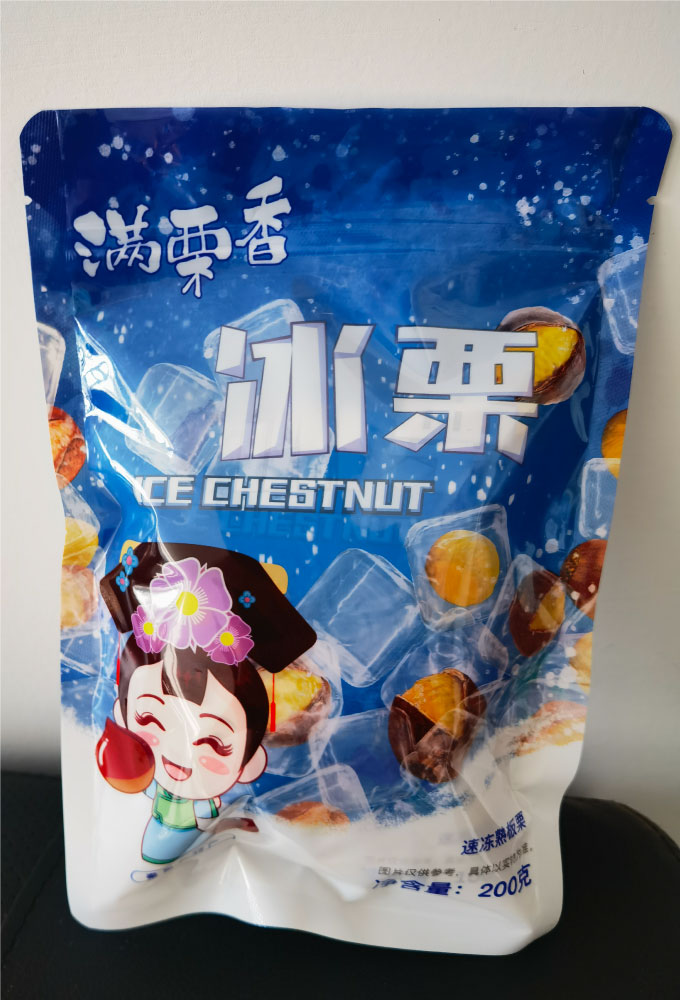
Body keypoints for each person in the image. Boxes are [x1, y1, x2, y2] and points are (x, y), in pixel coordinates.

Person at [97, 541, 316, 864]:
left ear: (250, 763)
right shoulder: (148, 783)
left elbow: (209, 822)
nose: (179, 747)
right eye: (147, 719)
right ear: (122, 712)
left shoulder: (204, 802)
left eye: (214, 742)